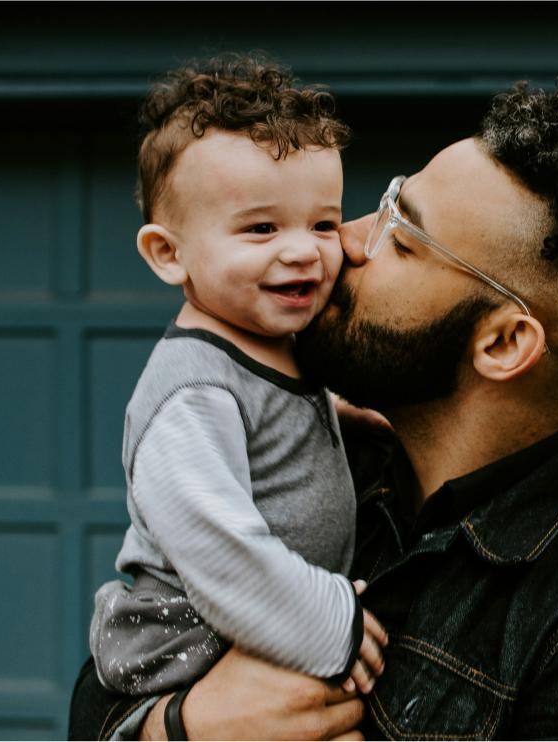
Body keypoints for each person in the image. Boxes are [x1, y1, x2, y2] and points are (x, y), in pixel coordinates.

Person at [70, 77, 558, 740]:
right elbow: (108, 681)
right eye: (381, 209)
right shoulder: (311, 456)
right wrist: (178, 729)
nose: (340, 242)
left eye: (401, 240)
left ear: (503, 341)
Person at [87, 53, 386, 705]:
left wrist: (336, 416)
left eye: (323, 224)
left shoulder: (273, 344)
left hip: (255, 625)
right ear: (169, 254)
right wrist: (328, 623)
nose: (303, 249)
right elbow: (218, 546)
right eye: (261, 228)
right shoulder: (192, 393)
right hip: (184, 642)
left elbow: (269, 419)